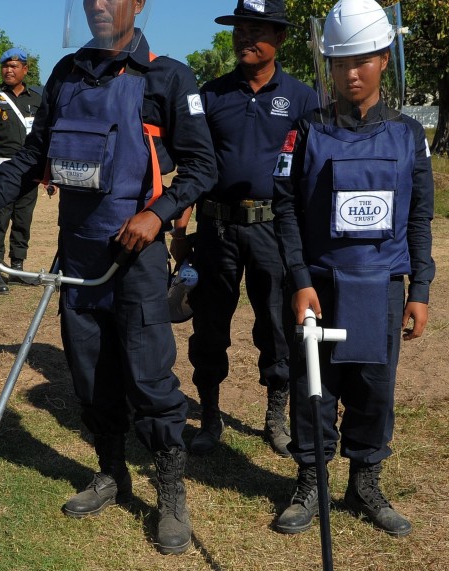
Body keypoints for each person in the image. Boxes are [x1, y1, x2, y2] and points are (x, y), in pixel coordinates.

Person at [0, 0, 217, 555]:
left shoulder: (166, 77)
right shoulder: (65, 74)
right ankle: (110, 470)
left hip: (136, 258)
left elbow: (202, 167)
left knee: (149, 377)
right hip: (77, 257)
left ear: (137, 4)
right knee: (90, 373)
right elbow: (31, 158)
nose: (100, 5)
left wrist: (157, 214)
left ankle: (170, 490)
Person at [270, 0, 434, 537]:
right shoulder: (305, 130)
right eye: (340, 63)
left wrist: (420, 288)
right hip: (318, 285)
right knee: (314, 386)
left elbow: (419, 214)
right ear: (329, 67)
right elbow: (286, 206)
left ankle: (365, 481)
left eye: (362, 60)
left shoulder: (410, 135)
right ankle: (309, 481)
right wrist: (299, 280)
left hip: (382, 285)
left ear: (384, 59)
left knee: (374, 387)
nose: (351, 73)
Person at [171, 0, 319, 458]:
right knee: (210, 325)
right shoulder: (210, 95)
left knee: (276, 325)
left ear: (280, 39)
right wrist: (181, 227)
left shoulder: (304, 99)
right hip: (216, 229)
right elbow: (195, 165)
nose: (245, 38)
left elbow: (313, 173)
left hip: (273, 230)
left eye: (257, 30)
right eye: (240, 29)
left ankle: (275, 417)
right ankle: (210, 416)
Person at [0, 47, 44, 294]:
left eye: (15, 66)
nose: (9, 70)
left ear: (25, 70)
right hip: (2, 169)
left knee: (23, 221)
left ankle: (17, 267)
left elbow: (44, 137)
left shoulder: (37, 99)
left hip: (29, 170)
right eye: (5, 66)